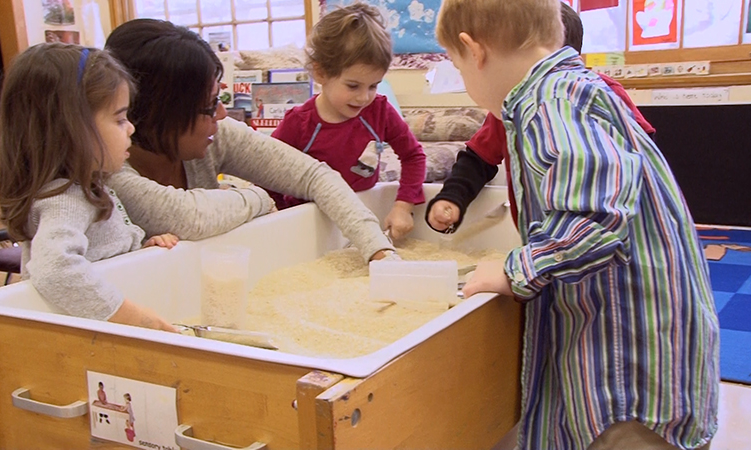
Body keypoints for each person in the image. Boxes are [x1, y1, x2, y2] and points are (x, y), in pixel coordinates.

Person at [434, 0, 719, 449]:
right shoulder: (577, 89)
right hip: (643, 348)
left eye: (456, 66)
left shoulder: (551, 104)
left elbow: (593, 217)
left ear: (475, 51)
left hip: (631, 373)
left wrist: (514, 270)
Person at [104, 19, 396, 262]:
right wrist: (258, 198)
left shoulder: (216, 133)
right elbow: (187, 216)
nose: (221, 113)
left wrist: (378, 249)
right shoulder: (107, 168)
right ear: (160, 114)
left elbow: (314, 175)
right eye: (209, 105)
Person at [427, 1, 656, 233]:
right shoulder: (510, 107)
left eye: (459, 67)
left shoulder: (559, 102)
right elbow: (478, 159)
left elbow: (593, 224)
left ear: (476, 52)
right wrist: (452, 197)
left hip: (597, 246)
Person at [0, 43, 178, 332]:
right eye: (119, 119)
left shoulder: (86, 187)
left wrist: (139, 250)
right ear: (70, 129)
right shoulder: (65, 198)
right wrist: (135, 317)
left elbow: (98, 254)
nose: (130, 128)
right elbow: (54, 269)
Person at [269, 3, 426, 241]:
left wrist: (403, 206)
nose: (364, 97)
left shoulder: (379, 110)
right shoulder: (298, 124)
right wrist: (284, 217)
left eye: (373, 85)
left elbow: (414, 156)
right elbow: (268, 174)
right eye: (353, 86)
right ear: (320, 73)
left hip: (365, 208)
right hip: (312, 222)